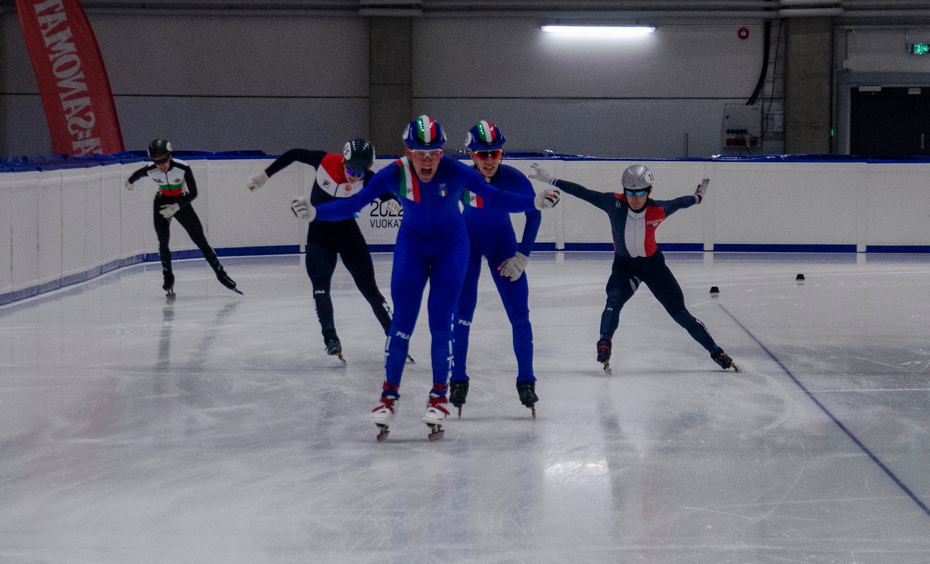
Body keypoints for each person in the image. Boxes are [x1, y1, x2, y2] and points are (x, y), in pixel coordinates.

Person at [291, 115, 559, 441]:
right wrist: (318, 212)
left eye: (434, 152)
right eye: (420, 152)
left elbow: (498, 198)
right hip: (413, 246)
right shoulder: (396, 173)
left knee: (440, 322)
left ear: (443, 151)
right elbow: (355, 202)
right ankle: (388, 396)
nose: (428, 159)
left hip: (452, 246)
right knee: (402, 322)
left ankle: (440, 395)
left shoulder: (456, 172)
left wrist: (533, 205)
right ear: (408, 152)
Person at [527, 162, 738, 373]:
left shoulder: (659, 209)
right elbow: (583, 192)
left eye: (639, 193)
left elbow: (682, 202)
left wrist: (699, 196)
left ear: (649, 190)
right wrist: (550, 179)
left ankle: (716, 351)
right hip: (625, 266)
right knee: (613, 300)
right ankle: (604, 343)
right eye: (629, 192)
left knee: (680, 314)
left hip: (653, 266)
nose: (634, 198)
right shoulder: (612, 203)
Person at [246, 139, 400, 360]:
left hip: (348, 235)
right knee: (320, 287)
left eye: (361, 172)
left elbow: (382, 189)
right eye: (352, 169)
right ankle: (330, 337)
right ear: (343, 161)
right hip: (320, 237)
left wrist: (390, 199)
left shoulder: (367, 177)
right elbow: (294, 153)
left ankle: (394, 335)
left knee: (370, 289)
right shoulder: (324, 160)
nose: (356, 176)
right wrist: (264, 176)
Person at [451, 121, 541, 417]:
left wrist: (522, 256)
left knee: (519, 315)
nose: (489, 160)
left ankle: (526, 380)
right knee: (462, 315)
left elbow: (534, 213)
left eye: (495, 153)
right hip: (468, 244)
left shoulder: (513, 179)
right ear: (472, 155)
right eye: (482, 154)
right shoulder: (459, 178)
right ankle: (458, 378)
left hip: (503, 246)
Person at [125, 139, 239, 296]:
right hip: (162, 202)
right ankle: (168, 281)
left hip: (181, 202)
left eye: (164, 160)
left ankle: (223, 276)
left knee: (201, 240)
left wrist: (178, 206)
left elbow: (194, 193)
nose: (161, 165)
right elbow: (138, 174)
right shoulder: (152, 169)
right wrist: (130, 181)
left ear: (170, 156)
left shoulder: (182, 167)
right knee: (163, 242)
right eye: (157, 162)